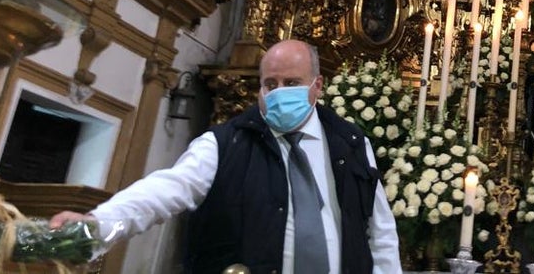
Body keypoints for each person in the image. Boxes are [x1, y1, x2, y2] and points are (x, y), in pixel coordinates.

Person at [50, 40, 401, 274]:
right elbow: (164, 191)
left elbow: (380, 231)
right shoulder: (225, 143)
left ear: (317, 86)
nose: (279, 93)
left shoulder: (351, 143)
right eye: (270, 84)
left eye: (291, 82)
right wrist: (97, 225)